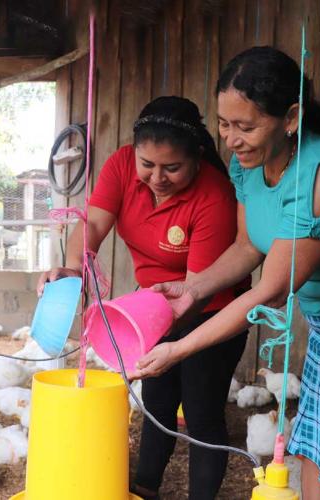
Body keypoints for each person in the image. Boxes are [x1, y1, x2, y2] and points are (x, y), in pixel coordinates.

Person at [131, 47, 320, 500]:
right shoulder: (248, 165)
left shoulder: (319, 175)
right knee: (315, 437)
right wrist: (192, 289)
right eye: (223, 124)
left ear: (290, 118)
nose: (231, 139)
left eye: (246, 126)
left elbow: (270, 291)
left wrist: (180, 347)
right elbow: (247, 246)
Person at [37, 96, 250, 500]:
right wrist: (72, 269)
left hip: (210, 310)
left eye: (172, 167)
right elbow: (94, 223)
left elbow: (192, 291)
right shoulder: (120, 166)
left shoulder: (214, 196)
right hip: (153, 308)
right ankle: (144, 489)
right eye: (147, 164)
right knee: (156, 405)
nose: (157, 177)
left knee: (202, 414)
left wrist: (146, 337)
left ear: (197, 157)